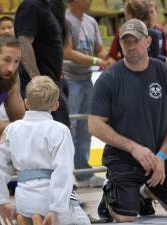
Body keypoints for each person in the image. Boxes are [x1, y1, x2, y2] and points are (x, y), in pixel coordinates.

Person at [89, 19, 167, 223]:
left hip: (157, 157)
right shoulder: (109, 78)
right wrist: (133, 148)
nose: (131, 46)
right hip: (123, 158)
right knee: (125, 216)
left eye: (136, 41)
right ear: (120, 44)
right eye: (126, 42)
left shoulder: (165, 73)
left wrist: (162, 156)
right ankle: (110, 195)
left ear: (148, 41)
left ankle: (146, 193)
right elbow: (94, 125)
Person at [0, 76, 90, 225]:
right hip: (50, 199)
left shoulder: (12, 129)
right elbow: (63, 172)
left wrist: (0, 201)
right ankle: (38, 217)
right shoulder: (60, 131)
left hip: (24, 198)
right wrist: (55, 209)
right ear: (56, 105)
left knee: (26, 214)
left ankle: (25, 217)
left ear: (26, 103)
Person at [62, 0, 108, 188]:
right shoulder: (65, 19)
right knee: (69, 128)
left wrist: (109, 57)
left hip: (86, 78)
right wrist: (98, 60)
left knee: (85, 128)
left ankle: (83, 174)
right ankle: (66, 174)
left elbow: (99, 49)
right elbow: (67, 52)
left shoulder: (91, 22)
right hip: (70, 79)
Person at [14, 0, 70, 127]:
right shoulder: (31, 5)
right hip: (40, 87)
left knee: (58, 134)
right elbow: (24, 42)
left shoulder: (43, 7)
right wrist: (38, 81)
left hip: (49, 84)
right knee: (56, 134)